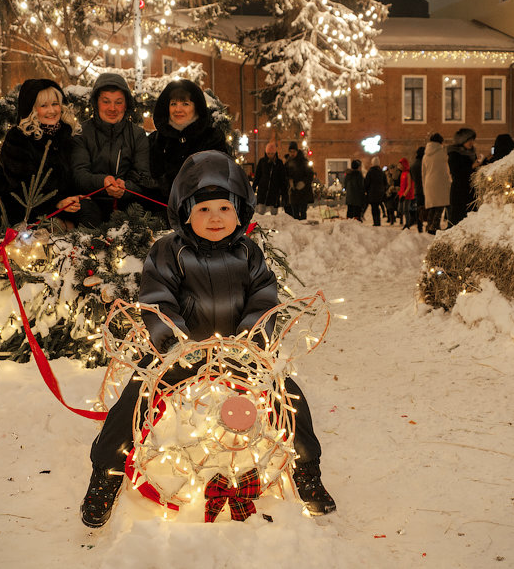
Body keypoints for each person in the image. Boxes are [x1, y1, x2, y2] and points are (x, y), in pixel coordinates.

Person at [80, 150, 337, 528]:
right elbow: (157, 299)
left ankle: (307, 471)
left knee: (289, 397)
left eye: (224, 208)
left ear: (240, 212)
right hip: (182, 355)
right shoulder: (169, 252)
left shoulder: (250, 253)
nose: (215, 218)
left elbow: (265, 299)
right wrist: (174, 344)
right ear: (185, 212)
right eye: (203, 210)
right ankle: (106, 473)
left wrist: (251, 343)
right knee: (136, 399)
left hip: (240, 353)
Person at [0, 78, 84, 226]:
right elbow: (22, 186)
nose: (52, 111)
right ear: (31, 109)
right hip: (23, 214)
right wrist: (57, 203)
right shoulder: (18, 138)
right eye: (44, 106)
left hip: (65, 207)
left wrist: (77, 195)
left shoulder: (67, 135)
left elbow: (75, 173)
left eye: (55, 104)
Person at [70, 73, 152, 227]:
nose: (112, 108)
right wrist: (102, 182)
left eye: (118, 102)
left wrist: (125, 188)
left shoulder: (137, 135)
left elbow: (143, 177)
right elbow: (79, 174)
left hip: (129, 205)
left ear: (126, 104)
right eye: (106, 101)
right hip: (90, 205)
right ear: (97, 103)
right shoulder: (82, 132)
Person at [148, 78, 229, 219]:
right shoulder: (155, 140)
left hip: (203, 215)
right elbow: (149, 179)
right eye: (173, 103)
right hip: (160, 213)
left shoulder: (212, 138)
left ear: (196, 106)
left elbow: (218, 177)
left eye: (185, 103)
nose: (178, 109)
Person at [447, 128, 481, 227]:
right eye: (469, 140)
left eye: (472, 140)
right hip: (459, 191)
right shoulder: (454, 154)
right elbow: (456, 172)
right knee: (458, 219)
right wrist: (472, 166)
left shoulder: (471, 153)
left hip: (470, 190)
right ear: (462, 140)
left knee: (470, 220)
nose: (471, 142)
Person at [421, 133, 451, 235]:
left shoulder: (425, 155)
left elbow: (423, 173)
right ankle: (434, 227)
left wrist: (424, 185)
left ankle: (429, 226)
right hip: (440, 182)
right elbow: (447, 169)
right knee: (440, 206)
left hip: (429, 182)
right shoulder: (443, 153)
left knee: (432, 207)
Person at [253, 142, 289, 215]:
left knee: (274, 214)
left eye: (272, 153)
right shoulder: (262, 162)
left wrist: (284, 193)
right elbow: (257, 176)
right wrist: (253, 187)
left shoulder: (279, 163)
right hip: (262, 192)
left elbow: (282, 179)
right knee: (260, 213)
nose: (270, 155)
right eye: (268, 153)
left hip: (274, 193)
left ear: (275, 153)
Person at [285, 141, 314, 220]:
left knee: (303, 211)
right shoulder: (288, 162)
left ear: (297, 151)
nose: (292, 153)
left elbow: (310, 174)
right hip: (293, 190)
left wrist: (303, 182)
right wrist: (289, 181)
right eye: (290, 152)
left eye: (293, 151)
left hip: (303, 191)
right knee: (295, 212)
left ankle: (303, 228)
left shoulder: (303, 161)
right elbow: (285, 174)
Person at [363, 156, 387, 226]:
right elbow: (385, 183)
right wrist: (383, 190)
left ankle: (375, 221)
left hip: (372, 193)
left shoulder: (370, 172)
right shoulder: (382, 172)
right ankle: (378, 221)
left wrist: (366, 191)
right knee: (378, 207)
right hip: (380, 193)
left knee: (374, 207)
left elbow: (366, 183)